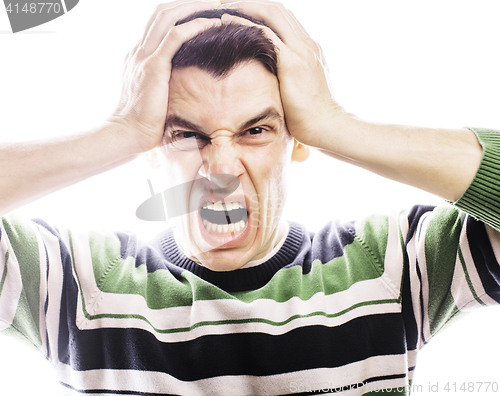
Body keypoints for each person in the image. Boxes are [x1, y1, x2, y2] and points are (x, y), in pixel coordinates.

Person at [0, 0, 499, 394]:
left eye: (256, 129)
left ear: (297, 139)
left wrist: (335, 124)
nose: (219, 168)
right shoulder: (74, 279)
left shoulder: (394, 261)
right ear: (152, 148)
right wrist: (121, 131)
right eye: (185, 134)